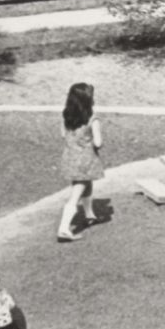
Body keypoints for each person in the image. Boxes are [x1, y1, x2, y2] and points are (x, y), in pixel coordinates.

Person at [57, 82, 105, 242]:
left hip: (70, 157)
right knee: (75, 195)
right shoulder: (93, 118)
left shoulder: (66, 116)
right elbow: (98, 143)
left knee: (86, 185)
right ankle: (64, 229)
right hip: (86, 160)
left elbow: (63, 135)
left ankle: (89, 215)